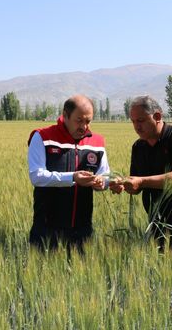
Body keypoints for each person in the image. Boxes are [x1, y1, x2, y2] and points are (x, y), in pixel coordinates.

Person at [110, 96, 172, 261]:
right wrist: (124, 184)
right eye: (133, 121)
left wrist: (141, 181)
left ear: (157, 117)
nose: (136, 126)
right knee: (166, 279)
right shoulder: (139, 147)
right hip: (158, 222)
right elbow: (137, 185)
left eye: (141, 120)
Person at [27, 95, 110, 251]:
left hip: (83, 228)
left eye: (88, 121)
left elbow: (105, 175)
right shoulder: (42, 137)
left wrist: (101, 182)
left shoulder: (97, 142)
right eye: (79, 120)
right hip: (47, 227)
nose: (84, 127)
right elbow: (36, 176)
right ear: (65, 115)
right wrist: (72, 177)